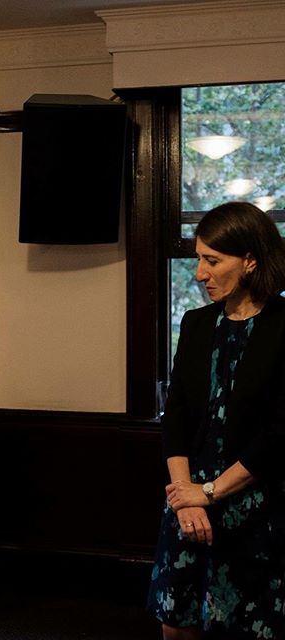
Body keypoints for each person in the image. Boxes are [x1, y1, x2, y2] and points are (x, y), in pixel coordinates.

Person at [147, 201, 285, 639]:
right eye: (198, 260)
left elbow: (279, 434)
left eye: (212, 260)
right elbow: (178, 418)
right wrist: (187, 498)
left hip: (256, 506)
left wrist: (209, 493)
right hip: (187, 501)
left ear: (250, 261)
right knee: (176, 622)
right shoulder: (196, 323)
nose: (200, 274)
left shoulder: (284, 326)